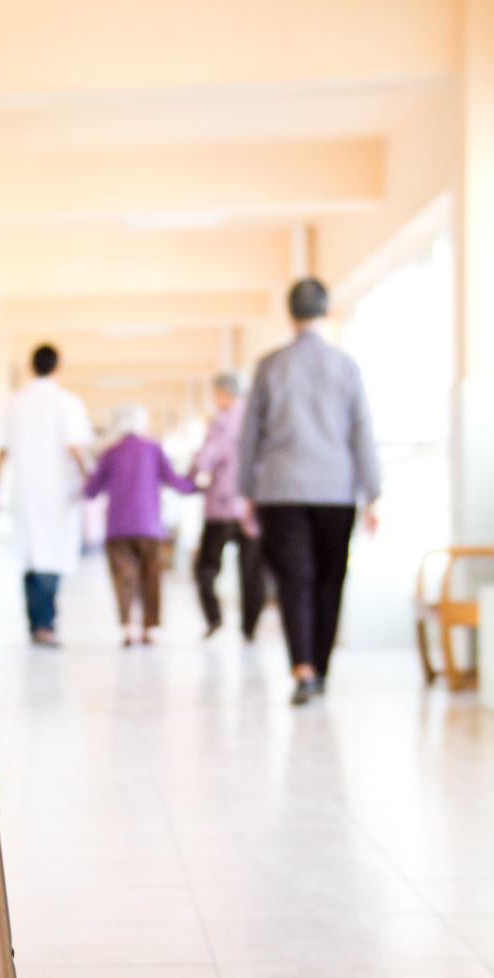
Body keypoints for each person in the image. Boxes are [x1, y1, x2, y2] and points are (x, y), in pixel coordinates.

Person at [239, 277, 381, 705]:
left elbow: (250, 436)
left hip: (280, 490)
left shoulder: (269, 366)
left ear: (290, 315)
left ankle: (302, 668)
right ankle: (321, 667)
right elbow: (362, 432)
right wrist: (373, 493)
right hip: (336, 490)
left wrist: (247, 492)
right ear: (327, 313)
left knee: (294, 582)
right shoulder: (345, 366)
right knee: (329, 580)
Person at [0, 344, 92, 645]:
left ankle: (39, 623)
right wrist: (91, 479)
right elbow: (75, 447)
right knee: (54, 554)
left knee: (31, 555)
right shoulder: (68, 402)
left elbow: (2, 451)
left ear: (30, 367)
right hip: (59, 491)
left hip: (23, 490)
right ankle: (45, 624)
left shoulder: (14, 402)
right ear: (58, 367)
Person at [82, 403, 195, 646]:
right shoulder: (153, 449)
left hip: (118, 528)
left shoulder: (109, 453)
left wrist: (84, 473)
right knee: (151, 577)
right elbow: (176, 481)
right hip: (150, 527)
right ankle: (149, 629)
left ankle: (127, 629)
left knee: (124, 578)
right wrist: (197, 485)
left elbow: (91, 491)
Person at [190, 372, 267, 640]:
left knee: (206, 568)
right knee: (252, 573)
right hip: (252, 507)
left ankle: (214, 618)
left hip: (221, 508)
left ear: (224, 393)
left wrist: (192, 476)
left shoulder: (222, 420)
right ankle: (249, 628)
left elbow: (206, 459)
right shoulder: (259, 418)